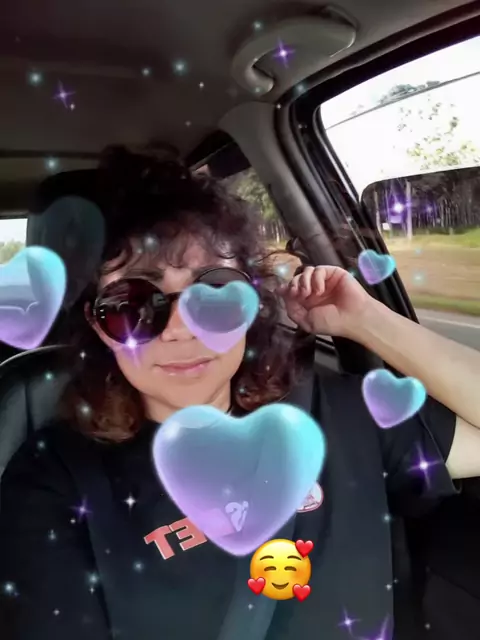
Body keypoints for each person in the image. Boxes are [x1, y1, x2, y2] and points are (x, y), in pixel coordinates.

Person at [1, 145, 480, 640]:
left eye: (215, 291)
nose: (182, 328)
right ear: (99, 326)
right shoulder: (54, 481)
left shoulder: (346, 411)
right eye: (131, 303)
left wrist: (367, 320)